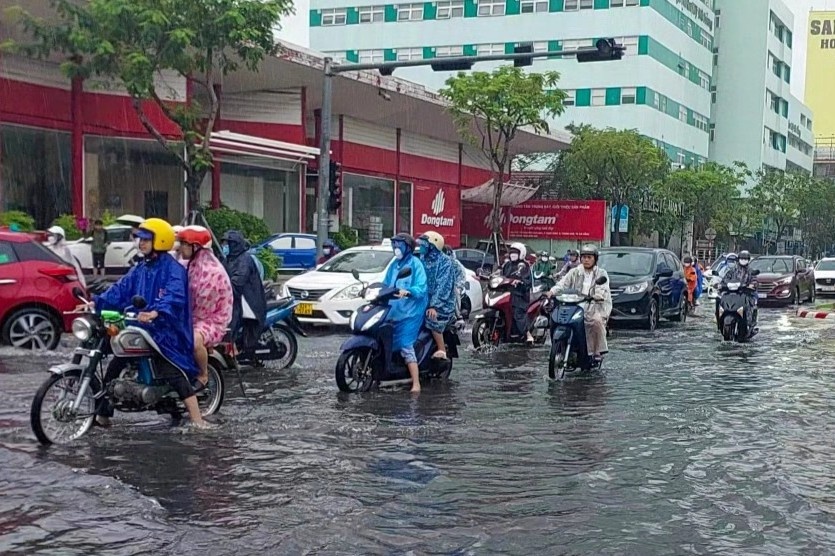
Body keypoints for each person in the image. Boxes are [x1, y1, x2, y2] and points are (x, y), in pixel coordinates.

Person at [91, 218, 209, 428]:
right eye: (140, 239)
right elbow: (121, 288)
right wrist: (95, 302)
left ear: (160, 240)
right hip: (140, 325)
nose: (141, 243)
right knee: (114, 363)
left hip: (165, 328)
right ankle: (104, 414)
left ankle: (198, 421)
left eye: (146, 239)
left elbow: (174, 295)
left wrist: (157, 311)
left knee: (171, 371)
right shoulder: (141, 267)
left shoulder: (173, 269)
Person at [178, 226, 234, 387]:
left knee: (194, 340)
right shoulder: (190, 263)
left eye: (184, 243)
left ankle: (203, 374)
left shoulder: (211, 272)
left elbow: (201, 304)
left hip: (211, 320)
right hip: (193, 316)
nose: (181, 247)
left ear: (196, 247)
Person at [547, 244, 612, 361]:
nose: (586, 260)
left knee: (596, 321)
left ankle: (597, 351)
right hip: (575, 305)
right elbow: (563, 284)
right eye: (584, 257)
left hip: (595, 305)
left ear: (595, 259)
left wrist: (597, 296)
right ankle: (559, 347)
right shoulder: (575, 272)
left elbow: (602, 289)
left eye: (589, 257)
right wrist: (551, 292)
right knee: (556, 317)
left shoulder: (601, 273)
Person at [384, 233, 428, 393]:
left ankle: (416, 383)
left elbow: (421, 288)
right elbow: (385, 284)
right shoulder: (394, 265)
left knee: (405, 344)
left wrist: (408, 291)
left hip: (411, 311)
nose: (396, 248)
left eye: (399, 245)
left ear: (407, 247)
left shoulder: (416, 264)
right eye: (394, 245)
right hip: (393, 310)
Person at [222, 230, 267, 357]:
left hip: (247, 299)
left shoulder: (245, 260)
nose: (225, 247)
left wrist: (222, 288)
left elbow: (238, 282)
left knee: (231, 322)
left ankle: (234, 350)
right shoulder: (228, 259)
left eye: (227, 244)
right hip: (233, 297)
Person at [417, 232, 456, 360]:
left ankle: (441, 349)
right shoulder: (422, 258)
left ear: (433, 246)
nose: (421, 247)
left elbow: (443, 286)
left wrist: (434, 306)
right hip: (423, 299)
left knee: (431, 319)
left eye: (424, 244)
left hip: (442, 304)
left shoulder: (445, 262)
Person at [501, 242, 534, 344]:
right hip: (506, 293)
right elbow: (500, 273)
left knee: (518, 314)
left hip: (519, 294)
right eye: (511, 252)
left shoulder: (523, 266)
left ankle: (528, 334)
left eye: (515, 253)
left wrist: (520, 281)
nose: (513, 254)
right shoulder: (507, 264)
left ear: (521, 254)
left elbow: (526, 281)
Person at [721, 250, 758, 325]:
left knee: (750, 302)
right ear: (738, 259)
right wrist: (721, 284)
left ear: (748, 260)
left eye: (745, 259)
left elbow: (754, 280)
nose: (743, 261)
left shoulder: (750, 271)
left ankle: (750, 322)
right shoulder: (732, 270)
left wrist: (752, 285)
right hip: (732, 293)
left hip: (745, 292)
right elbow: (725, 279)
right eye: (742, 259)